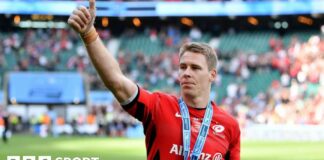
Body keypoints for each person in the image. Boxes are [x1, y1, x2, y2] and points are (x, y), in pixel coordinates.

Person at [67, 0, 240, 159]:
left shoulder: (229, 125)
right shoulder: (158, 106)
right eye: (182, 67)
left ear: (212, 75)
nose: (186, 73)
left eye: (195, 68)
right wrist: (89, 34)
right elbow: (116, 82)